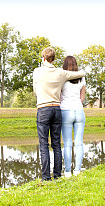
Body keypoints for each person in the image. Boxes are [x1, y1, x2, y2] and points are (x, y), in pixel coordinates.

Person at [33, 48, 86, 181]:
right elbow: (80, 73)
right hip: (57, 109)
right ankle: (58, 175)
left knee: (44, 144)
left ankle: (46, 177)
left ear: (43, 58)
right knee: (56, 143)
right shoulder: (60, 72)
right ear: (54, 59)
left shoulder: (37, 71)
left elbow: (35, 90)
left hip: (44, 108)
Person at [60, 56, 86, 177]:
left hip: (65, 111)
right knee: (79, 143)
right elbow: (82, 98)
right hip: (79, 111)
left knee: (67, 144)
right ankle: (77, 170)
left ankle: (67, 172)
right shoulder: (81, 77)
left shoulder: (62, 78)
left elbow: (59, 97)